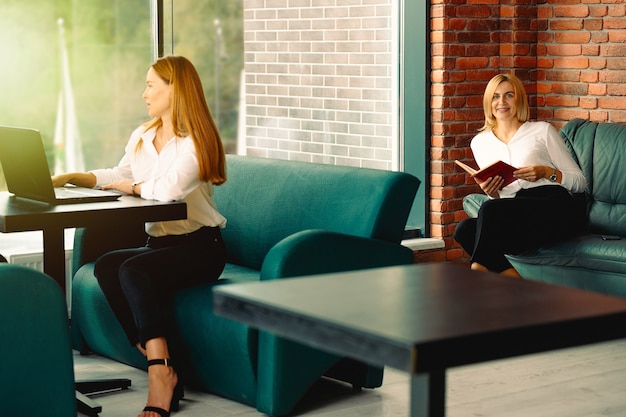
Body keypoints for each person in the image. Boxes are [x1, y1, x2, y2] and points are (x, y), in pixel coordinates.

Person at [52, 55, 227, 417]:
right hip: (159, 245)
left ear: (174, 89)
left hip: (201, 248)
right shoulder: (144, 135)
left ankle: (160, 376)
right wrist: (76, 177)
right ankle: (156, 356)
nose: (143, 93)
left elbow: (168, 191)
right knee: (107, 265)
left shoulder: (197, 139)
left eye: (150, 85)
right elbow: (119, 172)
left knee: (133, 271)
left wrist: (130, 186)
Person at [454, 73, 587, 278]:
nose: (502, 102)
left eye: (509, 95)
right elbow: (499, 203)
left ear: (519, 100)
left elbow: (580, 183)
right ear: (488, 103)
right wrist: (492, 192)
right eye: (496, 96)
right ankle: (515, 283)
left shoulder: (542, 131)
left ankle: (476, 275)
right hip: (517, 212)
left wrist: (547, 172)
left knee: (489, 210)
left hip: (554, 206)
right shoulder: (479, 143)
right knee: (464, 229)